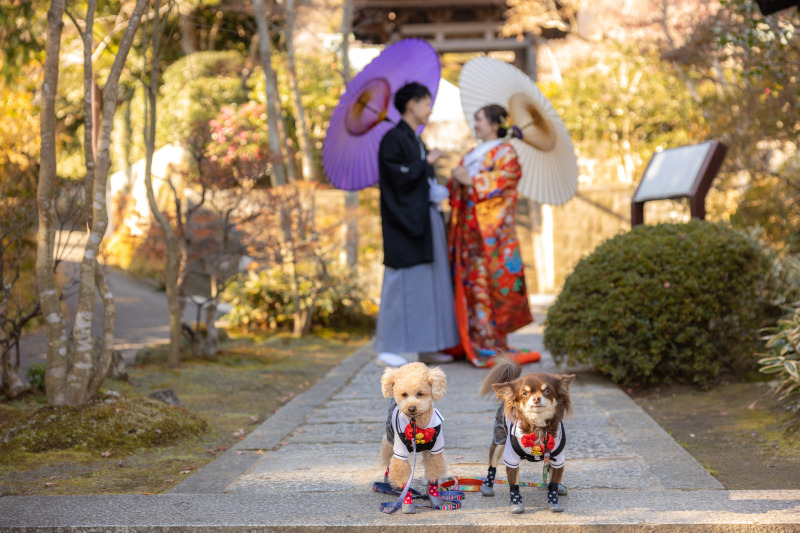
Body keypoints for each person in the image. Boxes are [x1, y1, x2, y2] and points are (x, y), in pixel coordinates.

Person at [373, 82, 460, 367]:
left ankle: (428, 346)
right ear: (411, 104)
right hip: (404, 222)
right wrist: (426, 164)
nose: (429, 108)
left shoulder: (415, 139)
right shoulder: (393, 139)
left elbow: (421, 180)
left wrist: (431, 178)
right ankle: (388, 344)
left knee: (430, 283)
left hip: (425, 219)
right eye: (425, 102)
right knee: (400, 282)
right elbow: (396, 178)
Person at [446, 104, 538, 368]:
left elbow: (508, 179)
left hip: (492, 235)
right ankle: (476, 339)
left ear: (495, 124)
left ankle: (492, 342)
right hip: (468, 233)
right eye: (475, 120)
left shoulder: (505, 151)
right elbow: (458, 186)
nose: (476, 125)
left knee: (491, 285)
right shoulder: (474, 153)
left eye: (480, 120)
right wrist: (456, 181)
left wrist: (472, 182)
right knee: (472, 285)